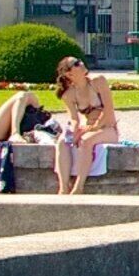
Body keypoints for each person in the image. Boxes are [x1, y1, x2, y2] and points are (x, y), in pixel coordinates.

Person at [51, 55, 122, 195]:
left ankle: (79, 187)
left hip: (107, 128)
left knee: (86, 141)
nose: (82, 63)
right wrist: (74, 130)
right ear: (69, 74)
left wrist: (92, 128)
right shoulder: (69, 94)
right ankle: (63, 187)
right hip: (89, 128)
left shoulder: (98, 81)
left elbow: (108, 110)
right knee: (62, 141)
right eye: (76, 63)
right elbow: (74, 118)